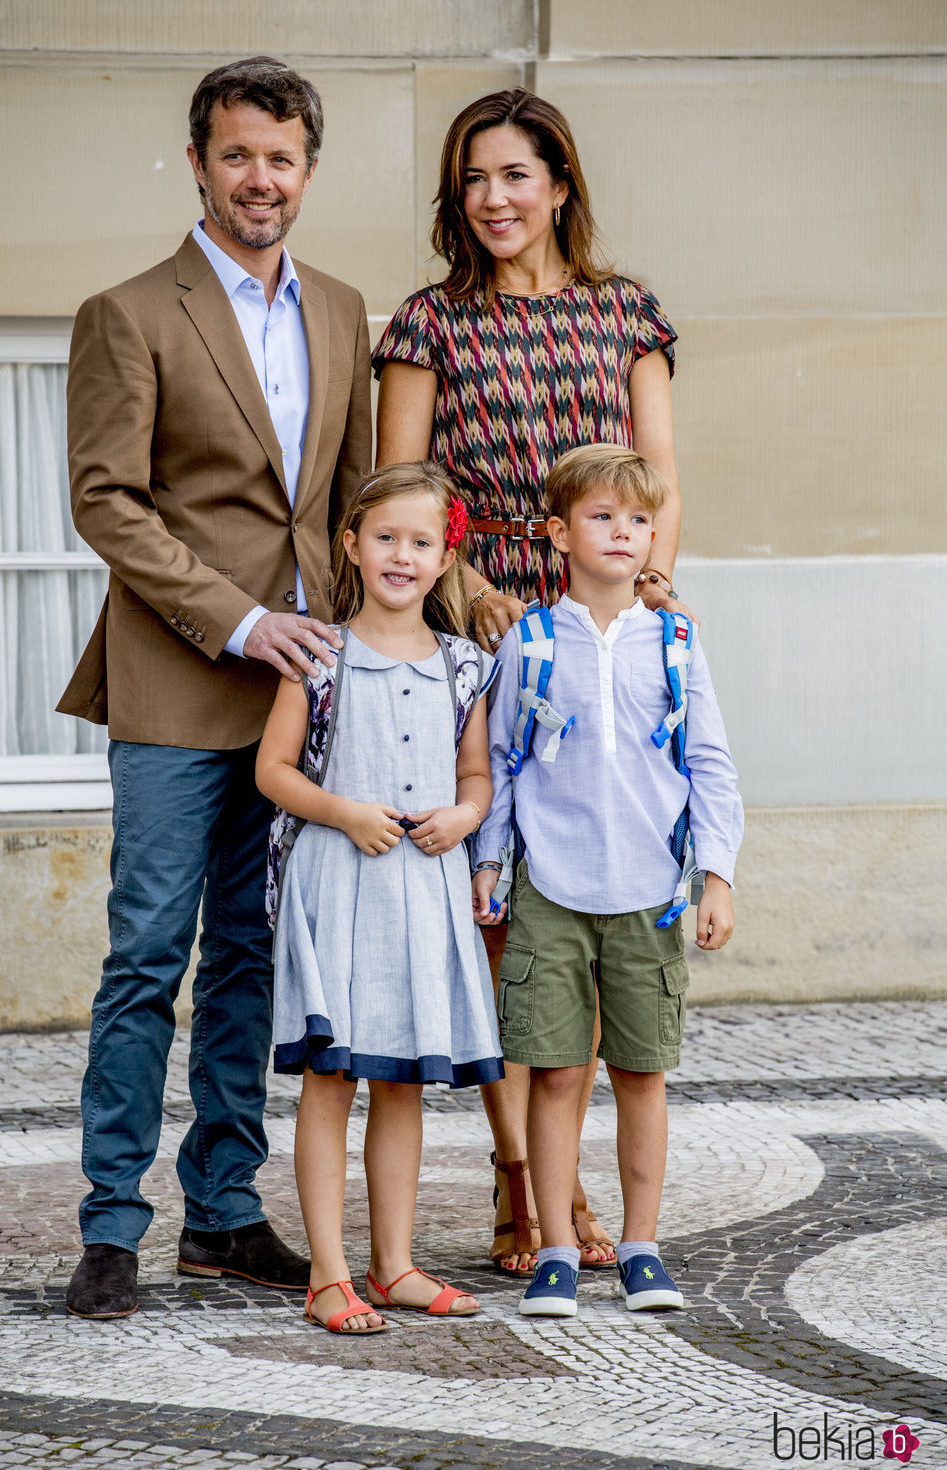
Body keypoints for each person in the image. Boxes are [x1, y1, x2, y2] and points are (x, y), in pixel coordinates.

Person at [57, 56, 372, 1319]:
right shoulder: (128, 312)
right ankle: (112, 1226)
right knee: (147, 956)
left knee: (250, 958)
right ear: (199, 161)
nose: (261, 178)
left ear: (307, 168)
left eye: (282, 157)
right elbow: (106, 503)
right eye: (238, 155)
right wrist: (239, 621)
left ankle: (225, 1215)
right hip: (179, 687)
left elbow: (353, 503)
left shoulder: (346, 310)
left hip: (302, 698)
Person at [373, 86, 688, 1274]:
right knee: (506, 924)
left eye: (515, 175)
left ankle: (566, 1182)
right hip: (473, 624)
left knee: (601, 899)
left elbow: (656, 477)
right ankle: (521, 1185)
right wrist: (469, 596)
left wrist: (636, 591)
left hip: (599, 623)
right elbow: (400, 494)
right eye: (472, 179)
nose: (493, 199)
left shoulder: (626, 313)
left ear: (559, 183)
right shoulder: (425, 324)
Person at [472, 444, 743, 1317]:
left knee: (641, 1075)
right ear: (557, 533)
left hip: (651, 891)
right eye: (602, 517)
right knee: (554, 1074)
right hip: (552, 890)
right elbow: (504, 764)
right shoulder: (531, 640)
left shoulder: (676, 641)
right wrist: (490, 862)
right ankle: (555, 1245)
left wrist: (718, 877)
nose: (624, 533)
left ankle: (640, 1246)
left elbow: (710, 765)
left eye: (639, 520)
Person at [255, 462, 502, 1334]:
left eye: (422, 541)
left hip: (422, 890)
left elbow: (478, 773)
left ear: (445, 558)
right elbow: (273, 770)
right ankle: (329, 1273)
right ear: (352, 546)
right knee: (332, 1080)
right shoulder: (319, 654)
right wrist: (346, 812)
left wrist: (465, 815)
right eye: (386, 537)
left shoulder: (467, 665)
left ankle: (393, 1262)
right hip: (339, 881)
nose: (403, 554)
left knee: (400, 1083)